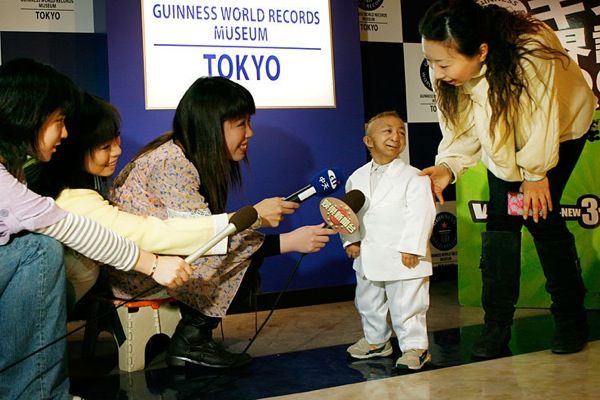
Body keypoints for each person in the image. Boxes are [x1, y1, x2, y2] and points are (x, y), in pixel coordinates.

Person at [48, 78, 334, 369]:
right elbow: (193, 238)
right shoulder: (171, 163)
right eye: (240, 123)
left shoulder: (179, 154)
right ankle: (192, 341)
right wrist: (284, 238)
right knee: (237, 245)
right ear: (211, 125)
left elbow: (195, 230)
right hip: (133, 274)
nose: (250, 132)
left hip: (139, 264)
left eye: (249, 122)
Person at [0, 59, 193, 400]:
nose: (65, 132)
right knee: (40, 250)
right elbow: (73, 228)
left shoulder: (12, 169)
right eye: (58, 121)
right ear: (28, 117)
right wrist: (153, 264)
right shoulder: (16, 185)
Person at [418, 0, 596, 359]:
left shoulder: (530, 54)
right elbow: (463, 128)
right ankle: (496, 327)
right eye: (431, 61)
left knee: (540, 217)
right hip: (506, 139)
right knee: (501, 221)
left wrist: (535, 175)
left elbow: (540, 121)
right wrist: (448, 166)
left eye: (443, 63)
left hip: (560, 128)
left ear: (481, 51)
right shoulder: (452, 73)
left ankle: (571, 320)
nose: (437, 73)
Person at [28, 92, 251, 304]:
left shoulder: (74, 192)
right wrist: (238, 221)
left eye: (116, 140)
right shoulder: (73, 200)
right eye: (105, 146)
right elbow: (145, 234)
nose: (117, 151)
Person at [342, 111, 436, 370]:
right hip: (369, 254)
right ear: (368, 141)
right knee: (367, 301)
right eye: (387, 131)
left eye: (401, 132)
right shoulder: (356, 177)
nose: (396, 136)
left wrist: (412, 247)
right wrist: (351, 240)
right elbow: (349, 213)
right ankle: (376, 341)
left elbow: (422, 213)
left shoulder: (414, 176)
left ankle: (416, 347)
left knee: (407, 304)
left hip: (403, 255)